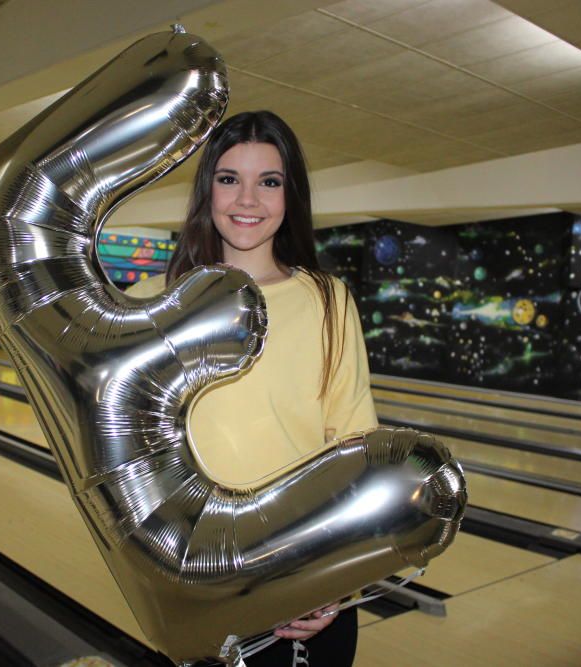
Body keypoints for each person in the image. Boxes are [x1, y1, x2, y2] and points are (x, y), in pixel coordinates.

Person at [126, 110, 376, 666]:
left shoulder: (328, 300)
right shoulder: (150, 302)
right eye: (228, 178)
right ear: (206, 189)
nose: (248, 200)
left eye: (269, 181)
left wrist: (335, 583)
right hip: (197, 588)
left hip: (309, 590)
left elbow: (354, 449)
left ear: (290, 196)